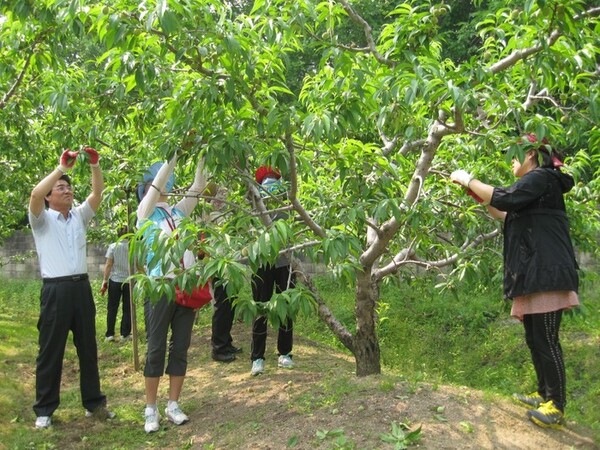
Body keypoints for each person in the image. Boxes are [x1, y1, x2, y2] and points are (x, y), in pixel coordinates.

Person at [450, 134, 579, 429]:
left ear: (531, 154)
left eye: (514, 154)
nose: (511, 160)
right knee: (535, 338)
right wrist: (474, 192)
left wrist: (470, 179)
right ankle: (544, 393)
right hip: (535, 273)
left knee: (547, 339)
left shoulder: (542, 178)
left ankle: (556, 406)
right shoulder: (533, 188)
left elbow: (504, 198)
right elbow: (502, 211)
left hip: (548, 273)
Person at [29, 147, 113, 429]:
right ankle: (44, 409)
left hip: (81, 289)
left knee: (88, 348)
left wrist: (95, 165)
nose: (66, 190)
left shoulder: (79, 216)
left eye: (68, 187)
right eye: (61, 188)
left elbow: (97, 194)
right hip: (55, 291)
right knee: (50, 350)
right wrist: (61, 168)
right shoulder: (41, 220)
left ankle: (94, 403)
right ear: (51, 196)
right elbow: (34, 194)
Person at [136, 155, 212, 433]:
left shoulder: (178, 212)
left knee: (180, 346)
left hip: (185, 286)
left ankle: (173, 404)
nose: (163, 185)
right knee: (155, 348)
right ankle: (150, 408)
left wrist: (201, 155)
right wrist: (174, 153)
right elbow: (156, 187)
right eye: (156, 182)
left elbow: (198, 186)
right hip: (160, 287)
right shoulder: (143, 214)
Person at [250, 166, 295, 376]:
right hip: (264, 259)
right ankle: (260, 357)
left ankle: (280, 354)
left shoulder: (288, 198)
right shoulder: (254, 201)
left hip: (283, 258)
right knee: (263, 307)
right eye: (266, 181)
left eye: (273, 180)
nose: (270, 185)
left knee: (284, 305)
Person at [210, 187, 242, 362]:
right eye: (218, 196)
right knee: (222, 306)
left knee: (230, 306)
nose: (221, 199)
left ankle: (226, 341)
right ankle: (218, 348)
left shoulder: (230, 215)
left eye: (224, 195)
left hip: (232, 266)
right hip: (219, 266)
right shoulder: (209, 215)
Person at [99, 226, 131, 342]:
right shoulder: (133, 247)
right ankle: (125, 334)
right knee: (128, 308)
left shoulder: (113, 246)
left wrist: (105, 280)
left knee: (112, 308)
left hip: (115, 281)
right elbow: (138, 264)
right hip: (129, 281)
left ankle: (109, 334)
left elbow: (108, 265)